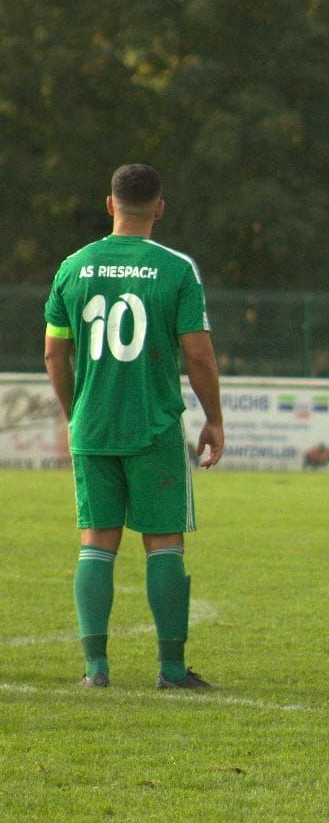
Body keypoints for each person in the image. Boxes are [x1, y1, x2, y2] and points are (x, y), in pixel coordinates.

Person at [43, 163, 224, 689]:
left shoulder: (74, 266)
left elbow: (55, 351)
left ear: (109, 205)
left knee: (97, 541)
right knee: (163, 541)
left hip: (93, 427)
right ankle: (170, 668)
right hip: (155, 426)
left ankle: (96, 669)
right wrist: (213, 419)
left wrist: (74, 410)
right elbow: (200, 358)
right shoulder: (176, 269)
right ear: (159, 208)